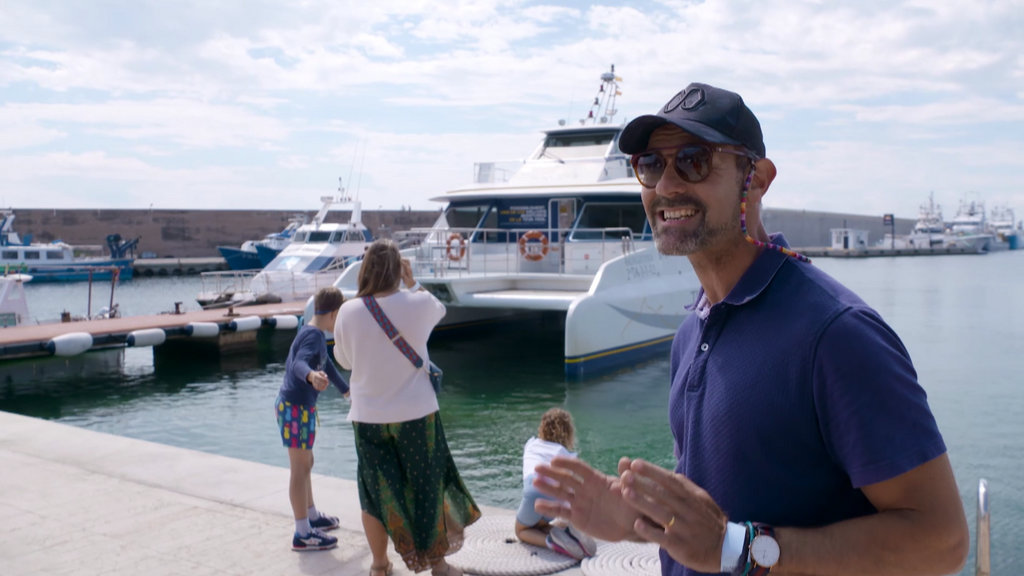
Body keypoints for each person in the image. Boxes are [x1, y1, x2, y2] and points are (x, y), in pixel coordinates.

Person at [531, 83, 969, 576]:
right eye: (651, 165)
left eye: (694, 160)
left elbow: (942, 541)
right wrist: (635, 517)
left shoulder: (836, 335)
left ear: (756, 179)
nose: (668, 185)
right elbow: (717, 507)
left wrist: (740, 549)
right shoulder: (690, 332)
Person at [334, 239, 480, 576]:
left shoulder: (348, 311)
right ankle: (439, 567)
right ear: (399, 268)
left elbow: (343, 360)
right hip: (417, 416)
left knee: (374, 494)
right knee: (425, 488)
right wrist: (412, 281)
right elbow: (438, 307)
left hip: (367, 417)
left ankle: (380, 565)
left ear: (365, 269)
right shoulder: (418, 305)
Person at [275, 286, 350, 551]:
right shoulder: (312, 336)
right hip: (294, 408)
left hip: (299, 408)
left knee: (307, 463)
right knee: (299, 469)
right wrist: (311, 376)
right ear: (335, 312)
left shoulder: (313, 333)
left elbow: (326, 363)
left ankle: (312, 516)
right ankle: (303, 533)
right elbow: (299, 364)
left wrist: (346, 390)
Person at [514, 408, 597, 559]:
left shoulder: (531, 444)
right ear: (568, 434)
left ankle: (551, 542)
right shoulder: (566, 455)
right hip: (554, 499)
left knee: (521, 530)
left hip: (534, 491)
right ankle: (571, 533)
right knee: (540, 525)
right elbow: (570, 489)